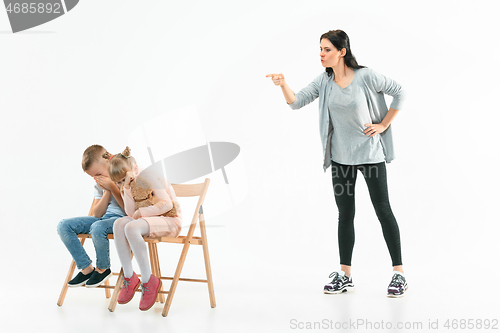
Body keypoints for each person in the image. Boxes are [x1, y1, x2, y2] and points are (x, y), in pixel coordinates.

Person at [266, 29, 408, 297]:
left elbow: (400, 92)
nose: (321, 54)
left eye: (327, 49)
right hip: (341, 160)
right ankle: (345, 274)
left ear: (342, 51)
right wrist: (283, 84)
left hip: (370, 157)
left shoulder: (366, 76)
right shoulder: (324, 81)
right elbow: (296, 102)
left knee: (383, 211)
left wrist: (383, 125)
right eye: (320, 49)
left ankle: (399, 274)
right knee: (345, 215)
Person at [105, 147, 183, 311]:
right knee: (119, 224)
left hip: (170, 219)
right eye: (117, 183)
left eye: (121, 180)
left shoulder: (147, 176)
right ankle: (130, 277)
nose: (120, 184)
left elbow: (167, 204)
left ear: (133, 169)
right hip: (149, 219)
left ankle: (148, 280)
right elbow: (131, 213)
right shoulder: (128, 184)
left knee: (132, 228)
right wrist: (126, 188)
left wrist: (143, 212)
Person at [57, 144, 126, 288]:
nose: (97, 178)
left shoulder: (124, 175)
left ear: (108, 162)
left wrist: (113, 187)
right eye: (94, 177)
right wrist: (106, 191)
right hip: (103, 220)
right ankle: (86, 268)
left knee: (97, 227)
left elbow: (130, 209)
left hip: (122, 219)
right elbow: (97, 213)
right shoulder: (100, 184)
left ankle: (103, 268)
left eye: (99, 174)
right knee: (63, 225)